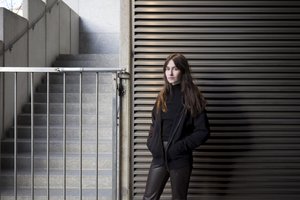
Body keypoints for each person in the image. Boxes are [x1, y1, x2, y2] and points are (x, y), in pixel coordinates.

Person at [143, 53, 210, 200]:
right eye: (167, 69)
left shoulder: (193, 97)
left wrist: (179, 147)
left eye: (174, 68)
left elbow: (203, 131)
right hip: (159, 155)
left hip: (180, 158)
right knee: (149, 197)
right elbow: (154, 124)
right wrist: (152, 143)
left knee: (179, 198)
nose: (170, 73)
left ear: (183, 71)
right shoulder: (162, 96)